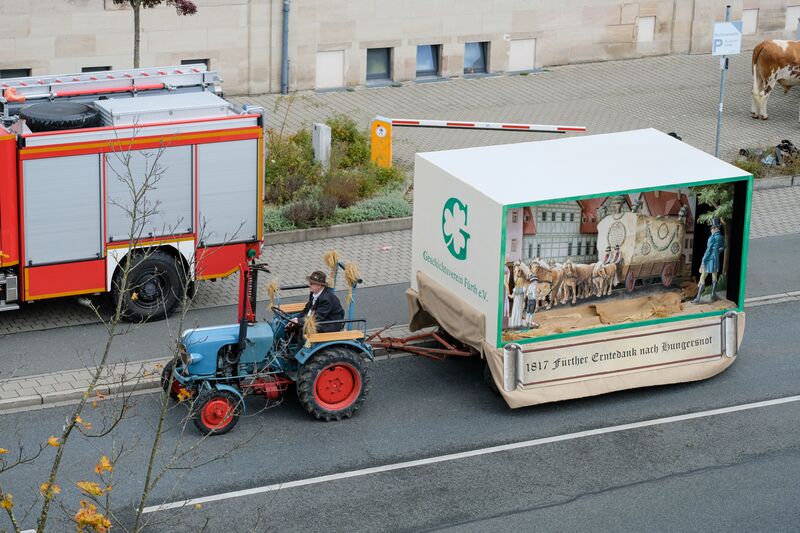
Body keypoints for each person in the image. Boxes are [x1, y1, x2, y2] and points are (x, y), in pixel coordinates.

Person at [693, 218, 725, 304]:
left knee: (703, 276)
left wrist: (703, 261)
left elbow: (708, 250)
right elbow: (723, 246)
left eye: (712, 228)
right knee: (714, 276)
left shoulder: (712, 238)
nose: (711, 230)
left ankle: (698, 298)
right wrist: (717, 252)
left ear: (716, 228)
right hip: (716, 259)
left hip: (709, 259)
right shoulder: (721, 237)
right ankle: (713, 294)